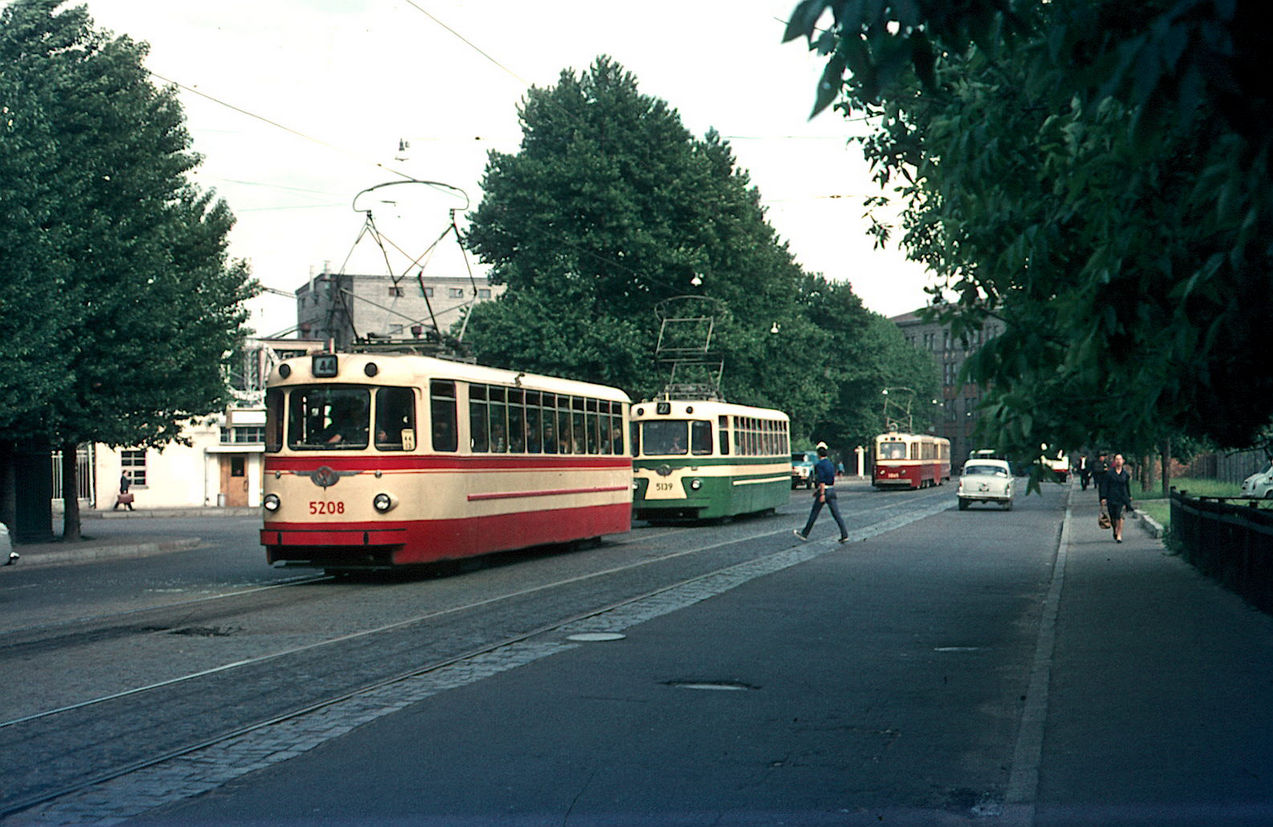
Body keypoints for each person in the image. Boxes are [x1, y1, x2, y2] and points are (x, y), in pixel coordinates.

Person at [793, 444, 849, 543]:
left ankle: (805, 534)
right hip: (831, 490)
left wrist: (821, 493)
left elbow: (822, 480)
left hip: (824, 491)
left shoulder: (820, 465)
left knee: (814, 513)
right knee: (837, 515)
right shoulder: (830, 464)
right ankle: (844, 534)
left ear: (819, 454)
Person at [1098, 452, 1134, 543]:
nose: (1118, 461)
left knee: (1120, 515)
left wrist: (1129, 496)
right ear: (1114, 461)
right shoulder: (1109, 474)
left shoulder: (1125, 474)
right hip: (1111, 497)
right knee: (1113, 517)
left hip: (1122, 497)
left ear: (1123, 461)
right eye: (1116, 459)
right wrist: (1103, 497)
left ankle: (1119, 534)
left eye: (1120, 459)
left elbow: (1127, 486)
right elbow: (1104, 486)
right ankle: (1115, 529)